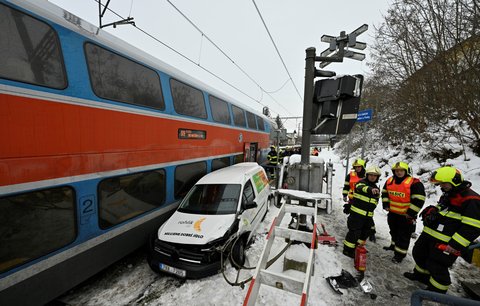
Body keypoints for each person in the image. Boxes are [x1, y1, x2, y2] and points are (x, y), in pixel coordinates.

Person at [404, 166, 480, 294]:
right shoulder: (449, 194)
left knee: (437, 265)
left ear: (454, 181)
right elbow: (445, 210)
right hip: (431, 235)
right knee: (419, 253)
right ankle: (421, 276)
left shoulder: (471, 199)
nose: (441, 186)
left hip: (446, 242)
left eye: (443, 183)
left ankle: (437, 291)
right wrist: (433, 210)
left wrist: (455, 245)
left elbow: (472, 227)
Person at [382, 162, 426, 263]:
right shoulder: (390, 181)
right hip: (393, 214)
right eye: (397, 171)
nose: (399, 172)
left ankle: (399, 255)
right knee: (393, 231)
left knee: (403, 236)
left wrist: (410, 213)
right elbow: (384, 193)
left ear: (406, 171)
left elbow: (419, 199)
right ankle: (393, 246)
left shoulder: (414, 183)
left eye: (401, 170)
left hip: (406, 216)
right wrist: (385, 204)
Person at [342, 165, 381, 258]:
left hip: (367, 217)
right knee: (354, 233)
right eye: (371, 175)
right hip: (356, 215)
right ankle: (347, 250)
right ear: (367, 175)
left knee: (365, 233)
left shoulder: (376, 188)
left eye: (375, 175)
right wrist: (370, 190)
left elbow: (374, 203)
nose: (372, 177)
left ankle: (357, 247)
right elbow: (361, 188)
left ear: (377, 177)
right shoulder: (361, 183)